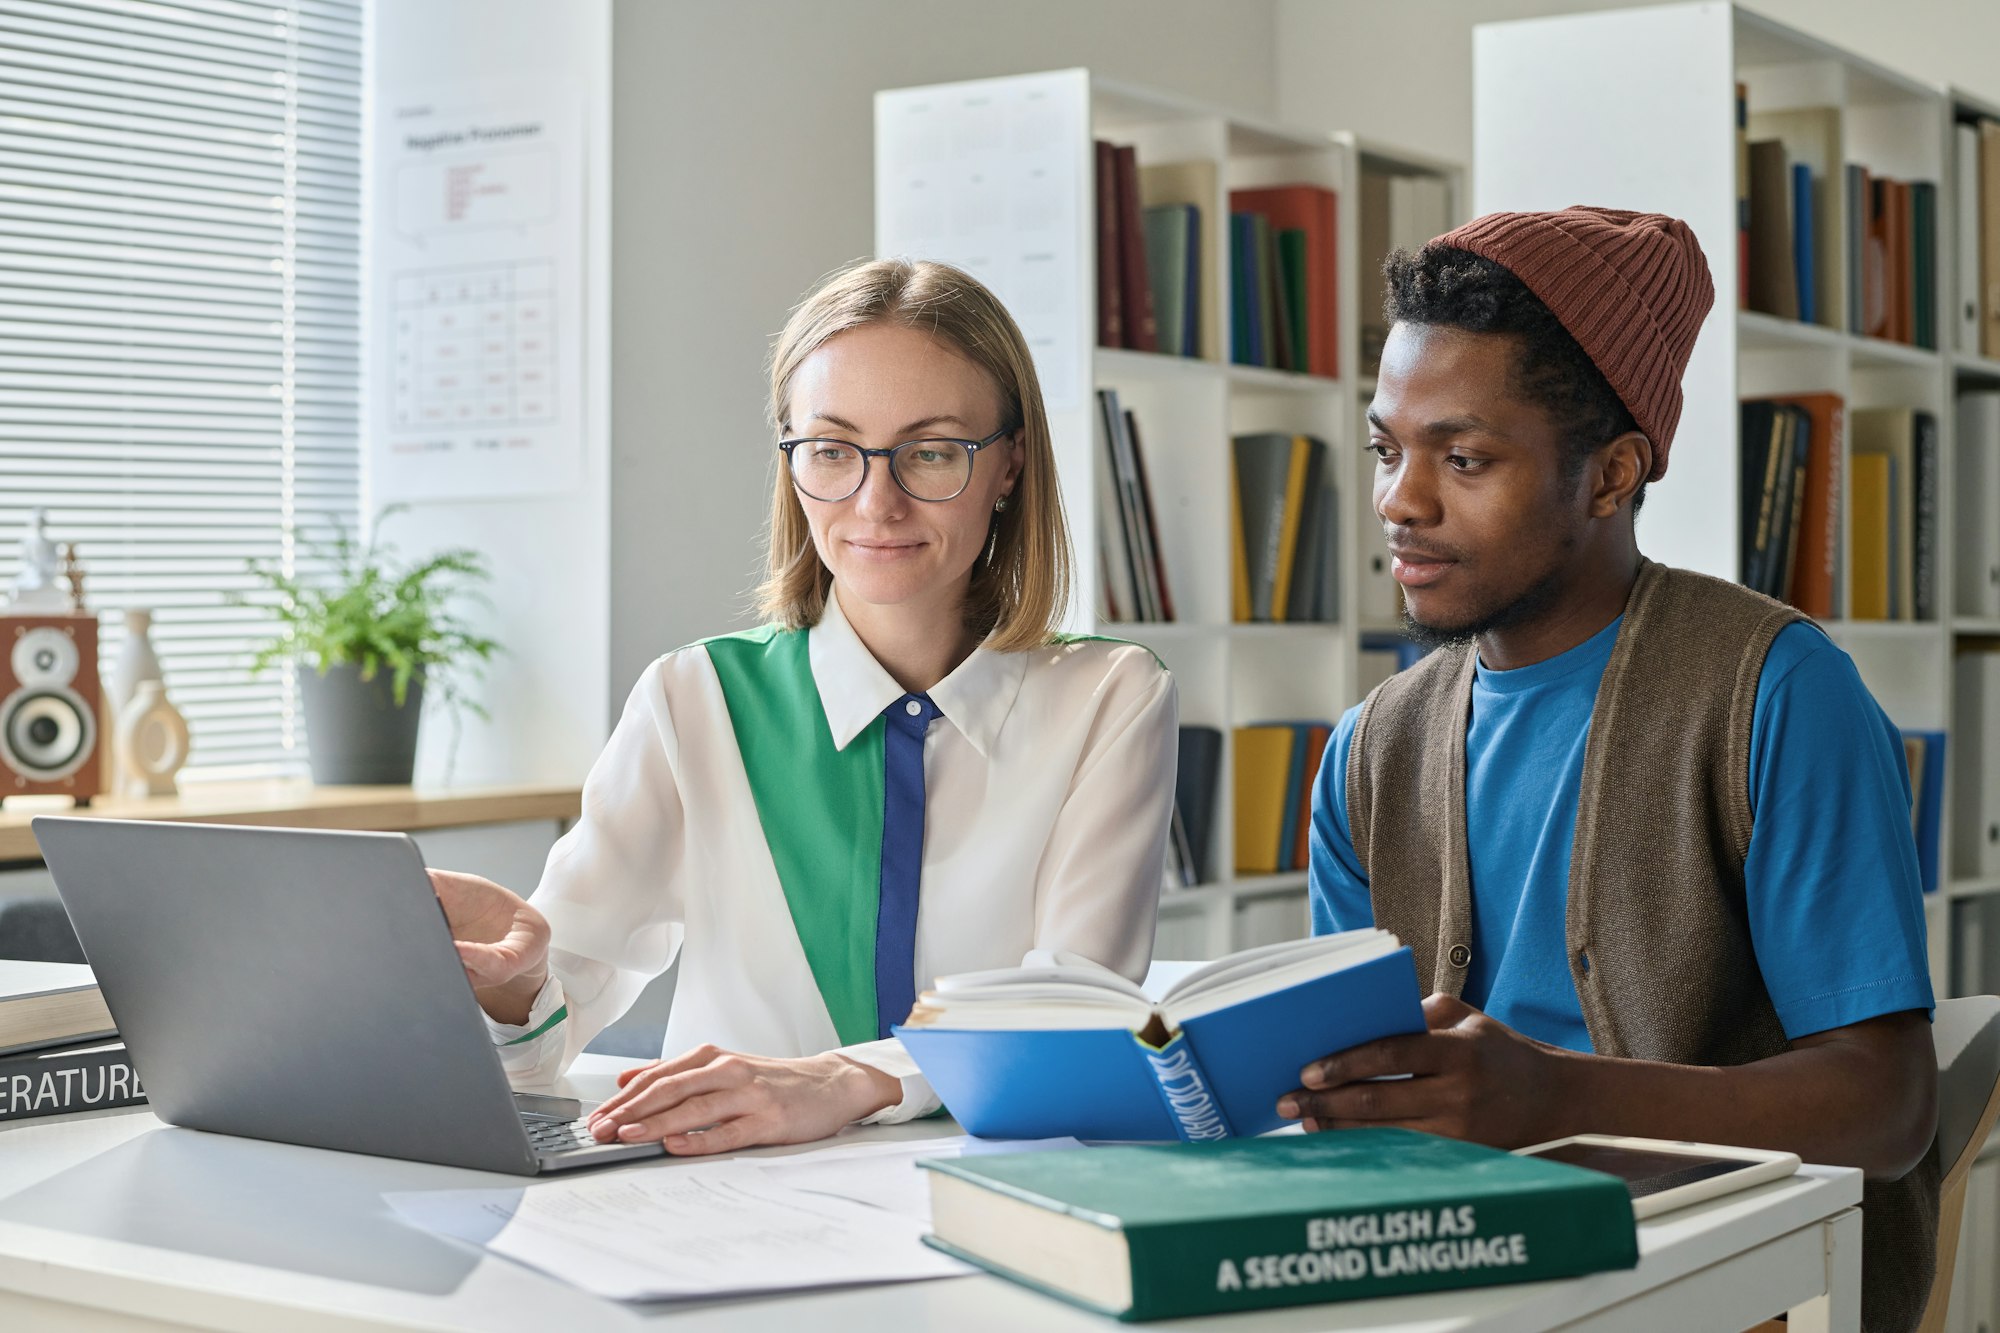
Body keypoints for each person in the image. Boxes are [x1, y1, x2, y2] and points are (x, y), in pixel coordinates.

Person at [1288, 207, 1938, 1331]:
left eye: (1464, 457)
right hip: (1451, 1282)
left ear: (1610, 473)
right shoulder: (1365, 753)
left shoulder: (1774, 691)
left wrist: (1555, 1096)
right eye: (1387, 450)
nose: (1400, 500)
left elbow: (1884, 1105)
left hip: (1742, 1291)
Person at [431, 258, 1176, 1156]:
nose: (876, 501)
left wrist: (844, 1079)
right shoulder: (693, 697)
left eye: (932, 450)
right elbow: (542, 1047)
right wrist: (507, 977)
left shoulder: (1111, 697)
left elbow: (1078, 1006)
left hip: (1007, 1197)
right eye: (831, 450)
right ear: (791, 463)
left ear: (1010, 464)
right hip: (730, 1211)